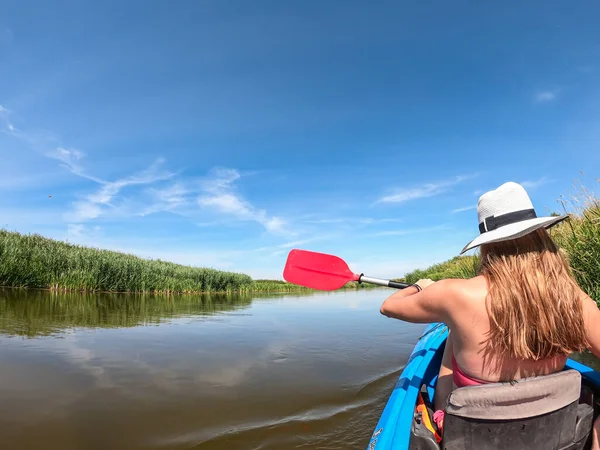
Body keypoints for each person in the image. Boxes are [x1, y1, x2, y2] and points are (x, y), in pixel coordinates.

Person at [379, 181, 600, 447]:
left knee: (453, 331)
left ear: (487, 245)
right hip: (552, 438)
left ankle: (439, 418)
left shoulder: (454, 294)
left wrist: (421, 286)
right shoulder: (574, 298)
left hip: (472, 439)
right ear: (541, 235)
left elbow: (389, 306)